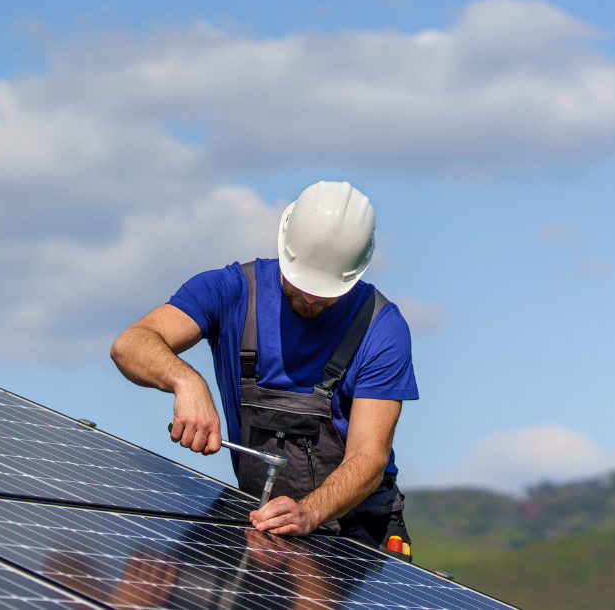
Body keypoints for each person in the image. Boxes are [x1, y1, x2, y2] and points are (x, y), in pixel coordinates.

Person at [110, 181, 417, 555]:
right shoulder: (231, 291)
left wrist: (308, 512)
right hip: (266, 527)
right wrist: (186, 381)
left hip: (358, 527)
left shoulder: (381, 328)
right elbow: (131, 344)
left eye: (324, 291)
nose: (308, 297)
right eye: (301, 281)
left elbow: (369, 457)